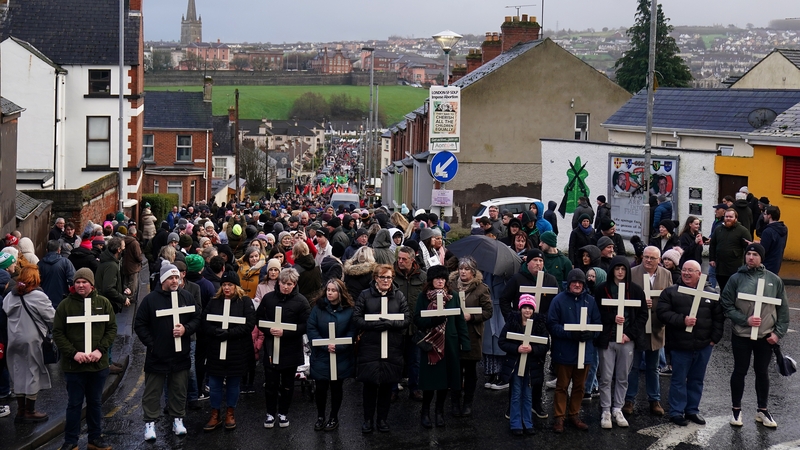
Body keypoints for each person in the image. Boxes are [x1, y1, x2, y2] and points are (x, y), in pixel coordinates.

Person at [720, 243, 789, 429]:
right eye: (748, 254)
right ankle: (736, 409)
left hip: (765, 336)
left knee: (762, 372)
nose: (751, 257)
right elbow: (726, 304)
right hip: (741, 334)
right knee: (739, 371)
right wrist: (745, 320)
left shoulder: (774, 280)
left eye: (755, 254)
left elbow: (783, 310)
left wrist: (778, 333)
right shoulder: (736, 279)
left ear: (761, 257)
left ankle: (762, 410)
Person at [134, 263, 201, 441]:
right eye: (171, 277)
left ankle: (178, 419)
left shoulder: (186, 297)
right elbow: (139, 324)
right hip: (157, 355)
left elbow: (197, 318)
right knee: (152, 391)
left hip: (180, 353)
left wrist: (186, 329)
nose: (174, 281)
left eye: (177, 277)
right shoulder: (150, 300)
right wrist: (152, 344)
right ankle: (150, 423)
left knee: (179, 388)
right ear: (163, 279)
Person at [52, 268, 117, 450]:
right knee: (74, 404)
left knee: (95, 403)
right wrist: (74, 353)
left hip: (98, 365)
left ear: (92, 284)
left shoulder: (103, 303)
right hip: (74, 366)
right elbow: (57, 332)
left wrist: (100, 351)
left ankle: (94, 439)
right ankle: (71, 441)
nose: (81, 285)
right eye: (78, 282)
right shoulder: (65, 305)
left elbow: (111, 328)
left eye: (84, 282)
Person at [656, 260, 724, 426]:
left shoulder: (711, 293)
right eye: (684, 270)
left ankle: (692, 410)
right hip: (680, 345)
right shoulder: (671, 292)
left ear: (699, 274)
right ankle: (676, 412)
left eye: (691, 271)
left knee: (697, 379)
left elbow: (719, 318)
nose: (686, 273)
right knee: (679, 379)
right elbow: (663, 313)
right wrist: (682, 320)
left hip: (703, 345)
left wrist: (714, 339)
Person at [352, 264, 410, 434]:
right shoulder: (365, 295)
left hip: (391, 346)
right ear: (375, 278)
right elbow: (356, 318)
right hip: (370, 346)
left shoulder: (398, 296)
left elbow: (407, 319)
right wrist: (373, 325)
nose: (386, 280)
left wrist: (391, 323)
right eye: (382, 277)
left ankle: (382, 419)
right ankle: (367, 420)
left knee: (386, 385)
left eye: (389, 277)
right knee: (369, 386)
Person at [413, 265, 470, 428]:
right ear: (431, 280)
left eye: (443, 278)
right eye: (437, 278)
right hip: (431, 344)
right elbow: (417, 319)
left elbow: (460, 320)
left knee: (445, 381)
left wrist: (465, 343)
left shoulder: (454, 297)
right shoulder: (423, 297)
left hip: (449, 344)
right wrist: (433, 320)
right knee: (430, 382)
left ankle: (439, 412)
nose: (440, 281)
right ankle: (425, 412)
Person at [594, 256, 648, 429]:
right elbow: (596, 312)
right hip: (607, 339)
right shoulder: (602, 289)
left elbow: (642, 315)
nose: (620, 272)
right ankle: (605, 410)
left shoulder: (636, 291)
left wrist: (629, 334)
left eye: (623, 269)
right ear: (612, 270)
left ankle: (618, 408)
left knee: (623, 376)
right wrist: (612, 317)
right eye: (617, 269)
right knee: (606, 377)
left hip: (626, 340)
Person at [547, 269, 601, 432]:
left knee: (580, 386)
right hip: (564, 351)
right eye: (574, 282)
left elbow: (598, 324)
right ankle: (559, 417)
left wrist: (590, 333)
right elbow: (552, 325)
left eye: (580, 282)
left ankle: (574, 414)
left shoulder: (590, 301)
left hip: (584, 352)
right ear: (568, 283)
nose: (577, 285)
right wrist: (570, 334)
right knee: (562, 386)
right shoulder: (558, 300)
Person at [201, 271, 256, 432]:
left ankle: (230, 412)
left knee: (233, 383)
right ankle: (215, 413)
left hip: (236, 349)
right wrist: (216, 332)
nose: (226, 288)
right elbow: (205, 321)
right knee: (215, 382)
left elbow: (249, 324)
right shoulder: (214, 302)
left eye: (230, 285)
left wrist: (230, 333)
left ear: (236, 286)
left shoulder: (244, 302)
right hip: (216, 349)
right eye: (224, 285)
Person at [256, 268, 310, 429]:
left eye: (290, 284)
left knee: (287, 384)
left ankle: (283, 413)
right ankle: (270, 413)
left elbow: (305, 325)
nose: (286, 287)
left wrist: (285, 332)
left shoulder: (301, 301)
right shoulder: (268, 299)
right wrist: (268, 330)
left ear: (294, 285)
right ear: (278, 283)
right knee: (271, 383)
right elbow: (259, 318)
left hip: (290, 348)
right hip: (272, 347)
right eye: (283, 283)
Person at [3, 266, 56, 423]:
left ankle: (20, 411)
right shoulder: (38, 296)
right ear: (35, 278)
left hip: (13, 339)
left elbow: (5, 310)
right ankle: (30, 411)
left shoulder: (9, 296)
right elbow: (52, 318)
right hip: (32, 339)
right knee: (33, 371)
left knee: (18, 371)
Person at [627, 246, 673, 417]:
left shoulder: (666, 274)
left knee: (654, 367)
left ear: (659, 260)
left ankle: (654, 400)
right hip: (638, 326)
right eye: (645, 257)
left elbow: (669, 298)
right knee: (634, 366)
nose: (648, 260)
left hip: (656, 326)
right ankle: (629, 399)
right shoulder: (632, 273)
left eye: (652, 258)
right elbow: (627, 298)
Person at [307, 279, 355, 432]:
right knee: (320, 387)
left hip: (340, 356)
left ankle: (334, 416)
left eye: (333, 290)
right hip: (322, 354)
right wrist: (323, 344)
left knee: (336, 387)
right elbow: (311, 327)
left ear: (340, 292)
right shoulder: (318, 308)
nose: (330, 293)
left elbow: (352, 332)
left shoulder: (349, 310)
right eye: (328, 290)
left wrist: (339, 346)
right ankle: (320, 416)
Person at [499, 294, 548, 436]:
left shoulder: (539, 324)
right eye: (525, 307)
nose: (527, 311)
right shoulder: (512, 323)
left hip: (531, 366)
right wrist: (516, 348)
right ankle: (515, 423)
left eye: (530, 308)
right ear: (520, 308)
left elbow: (545, 344)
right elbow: (502, 342)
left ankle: (527, 422)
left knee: (528, 394)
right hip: (516, 364)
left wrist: (533, 349)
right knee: (516, 394)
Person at [450, 257, 492, 417]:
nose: (463, 271)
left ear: (473, 272)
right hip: (454, 333)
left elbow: (488, 311)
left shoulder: (481, 289)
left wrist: (472, 317)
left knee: (470, 371)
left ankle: (467, 402)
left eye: (467, 269)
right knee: (455, 370)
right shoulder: (452, 287)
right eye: (461, 268)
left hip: (472, 334)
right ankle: (454, 401)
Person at [392, 246, 427, 401]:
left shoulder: (422, 277)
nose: (400, 261)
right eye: (399, 258)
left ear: (412, 260)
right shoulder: (391, 276)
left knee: (415, 360)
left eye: (404, 259)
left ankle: (415, 388)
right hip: (396, 325)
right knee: (394, 359)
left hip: (415, 325)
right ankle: (392, 388)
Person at [709, 209, 750, 292]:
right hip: (720, 267)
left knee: (732, 290)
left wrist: (747, 265)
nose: (728, 218)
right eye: (726, 216)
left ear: (736, 218)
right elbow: (712, 245)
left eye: (731, 217)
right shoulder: (718, 229)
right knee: (723, 289)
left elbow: (747, 249)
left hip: (734, 267)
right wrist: (712, 259)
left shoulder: (743, 231)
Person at [38, 239, 76, 309]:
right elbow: (73, 279)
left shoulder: (40, 264)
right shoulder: (65, 262)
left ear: (47, 250)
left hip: (44, 299)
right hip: (62, 299)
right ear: (59, 250)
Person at [759, 206, 787, 274]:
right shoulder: (784, 229)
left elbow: (763, 251)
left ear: (769, 216)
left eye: (765, 214)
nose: (763, 216)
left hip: (766, 266)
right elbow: (775, 244)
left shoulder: (768, 231)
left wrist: (754, 246)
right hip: (776, 265)